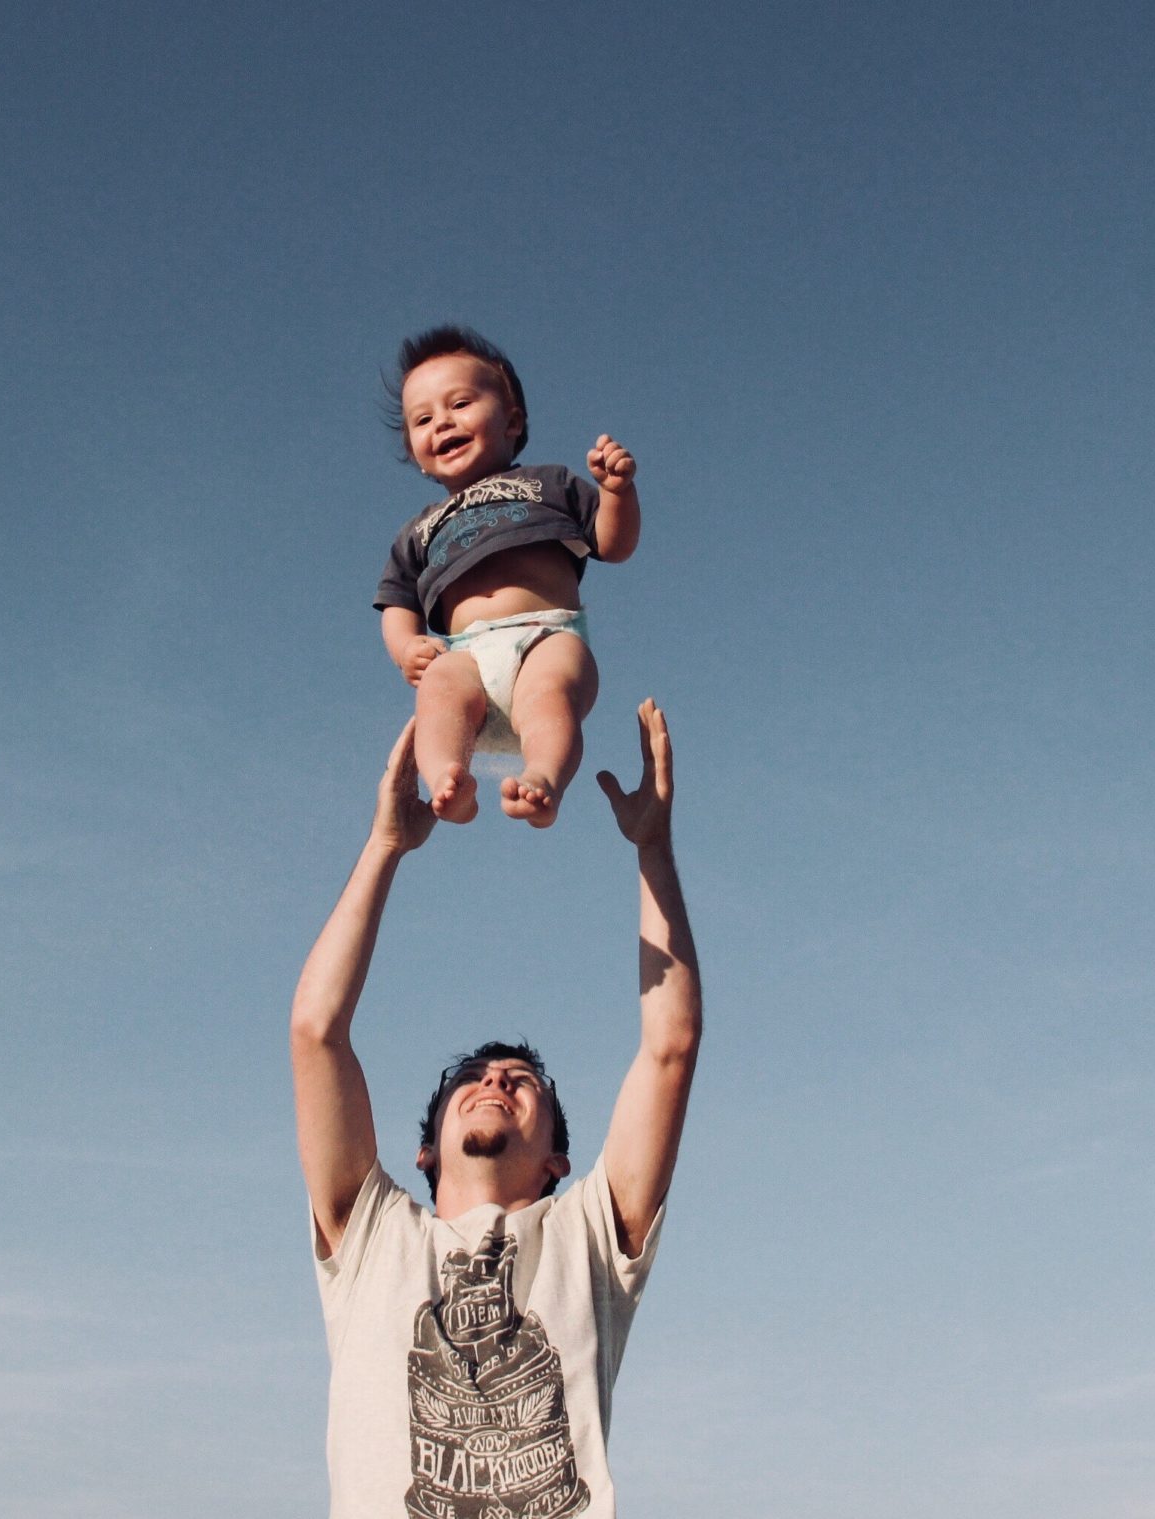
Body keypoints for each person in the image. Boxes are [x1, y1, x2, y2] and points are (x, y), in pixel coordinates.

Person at [291, 700, 700, 1518]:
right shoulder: (373, 1237)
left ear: (558, 1160)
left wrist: (653, 847)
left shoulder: (588, 1236)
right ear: (425, 1151)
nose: (496, 1081)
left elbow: (670, 1046)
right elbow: (316, 1031)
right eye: (472, 1077)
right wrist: (384, 846)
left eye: (523, 1080)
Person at [375, 326, 643, 828]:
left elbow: (613, 545)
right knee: (438, 690)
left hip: (548, 634)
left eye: (460, 404)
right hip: (466, 653)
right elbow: (397, 601)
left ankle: (543, 778)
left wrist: (616, 494)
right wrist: (406, 648)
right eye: (424, 418)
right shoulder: (419, 530)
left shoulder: (549, 483)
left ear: (512, 420)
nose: (443, 423)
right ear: (414, 451)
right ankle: (448, 780)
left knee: (548, 696)